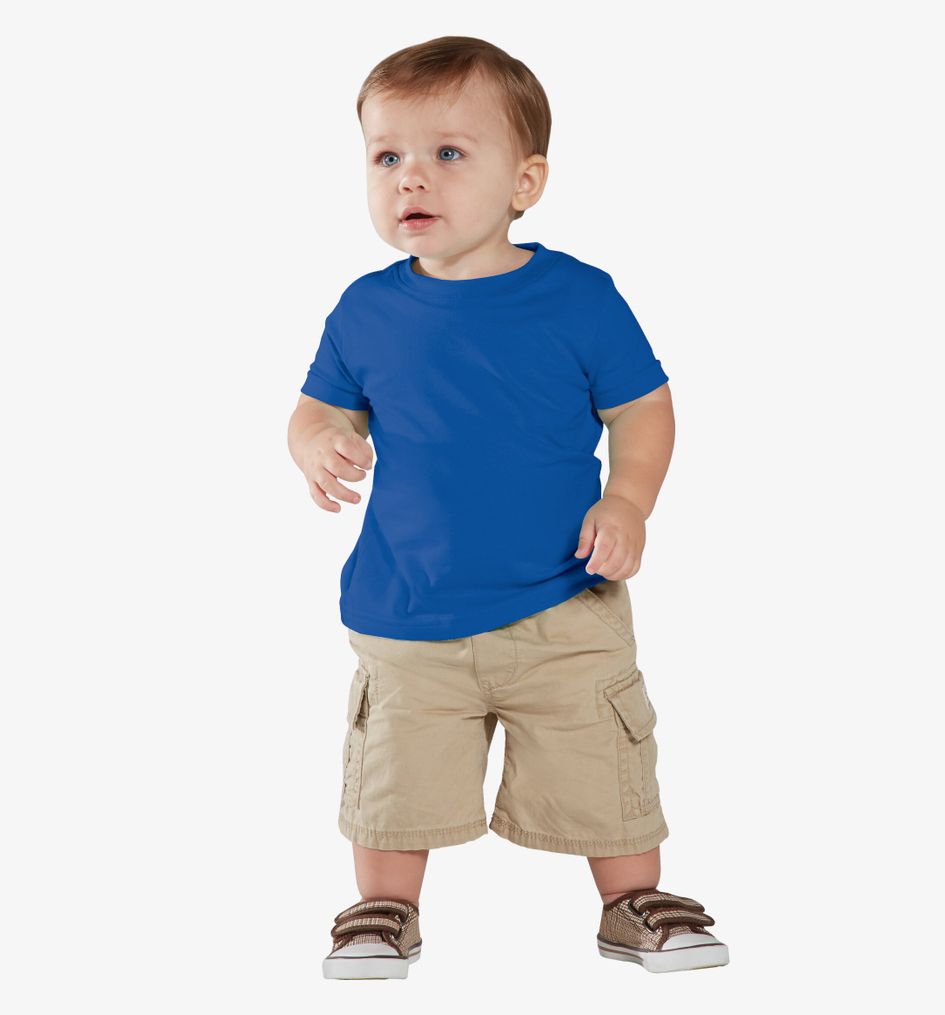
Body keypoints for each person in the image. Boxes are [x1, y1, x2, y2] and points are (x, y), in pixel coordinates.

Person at [287, 35, 729, 979]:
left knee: (600, 757)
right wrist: (317, 440)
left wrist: (629, 499)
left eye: (447, 152)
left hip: (564, 600)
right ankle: (383, 908)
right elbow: (319, 407)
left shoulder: (578, 298)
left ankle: (631, 900)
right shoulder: (364, 310)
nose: (411, 177)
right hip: (409, 607)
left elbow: (642, 407)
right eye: (386, 156)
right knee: (397, 768)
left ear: (524, 181)